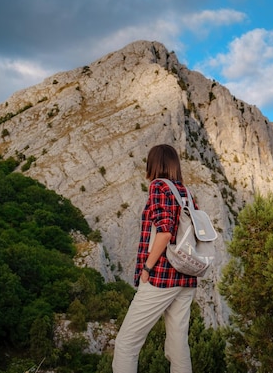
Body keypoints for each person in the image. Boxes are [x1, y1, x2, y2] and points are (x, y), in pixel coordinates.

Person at [112, 144, 198, 373]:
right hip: (187, 276)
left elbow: (165, 232)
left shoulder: (159, 187)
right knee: (178, 346)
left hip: (162, 277)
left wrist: (147, 268)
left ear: (154, 164)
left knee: (126, 344)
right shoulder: (186, 193)